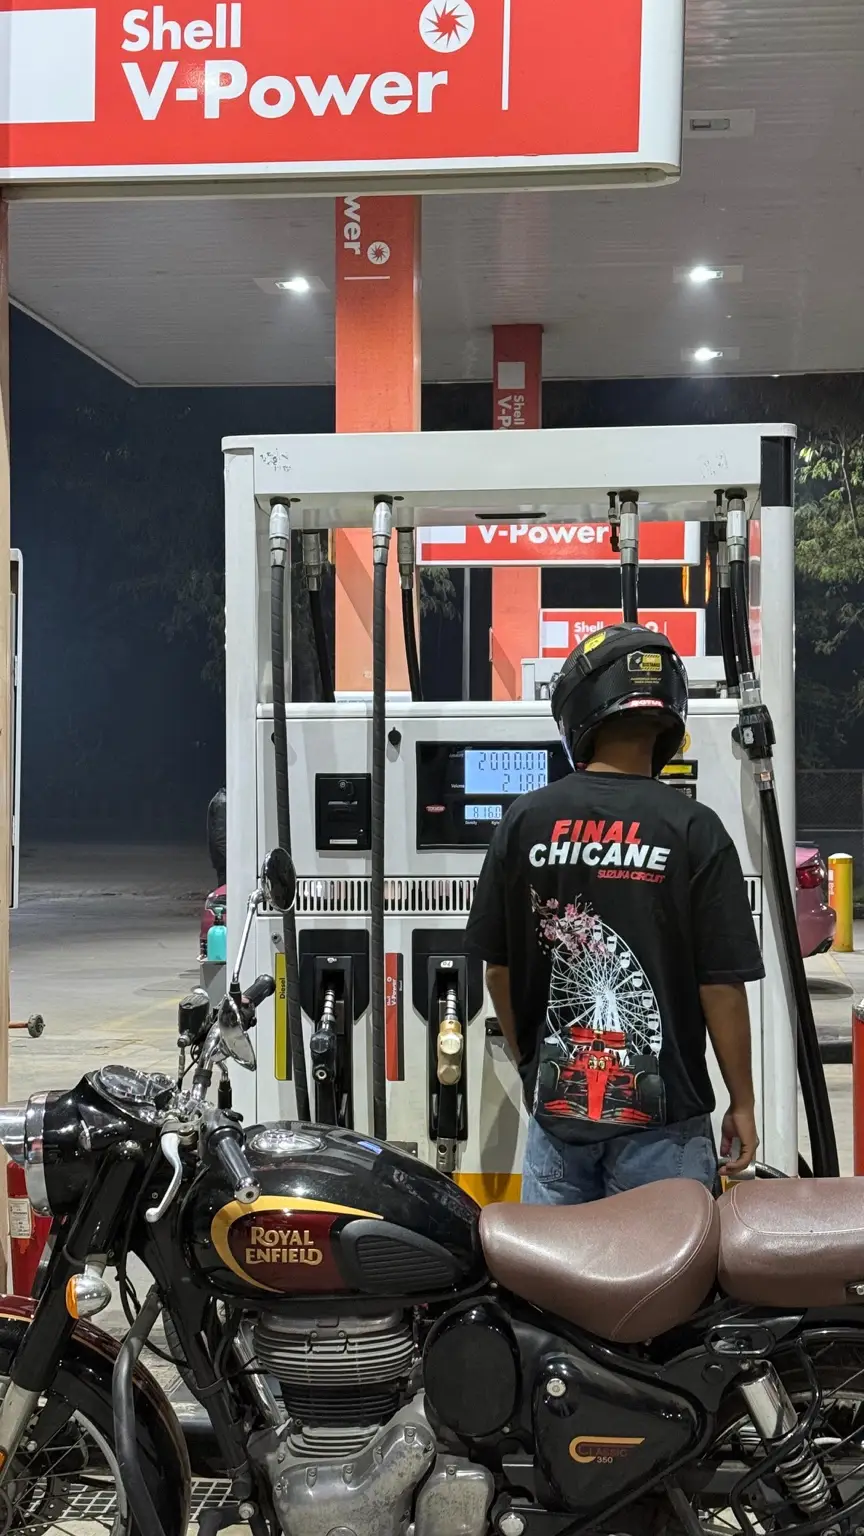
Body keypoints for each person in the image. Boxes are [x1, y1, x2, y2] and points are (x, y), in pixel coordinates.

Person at [464, 623, 764, 1205]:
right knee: (667, 1266)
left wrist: (532, 1065)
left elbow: (497, 969)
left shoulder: (524, 820)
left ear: (579, 713)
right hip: (666, 1129)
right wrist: (743, 1101)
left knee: (556, 1264)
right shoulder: (695, 829)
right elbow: (721, 986)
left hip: (558, 1126)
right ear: (669, 719)